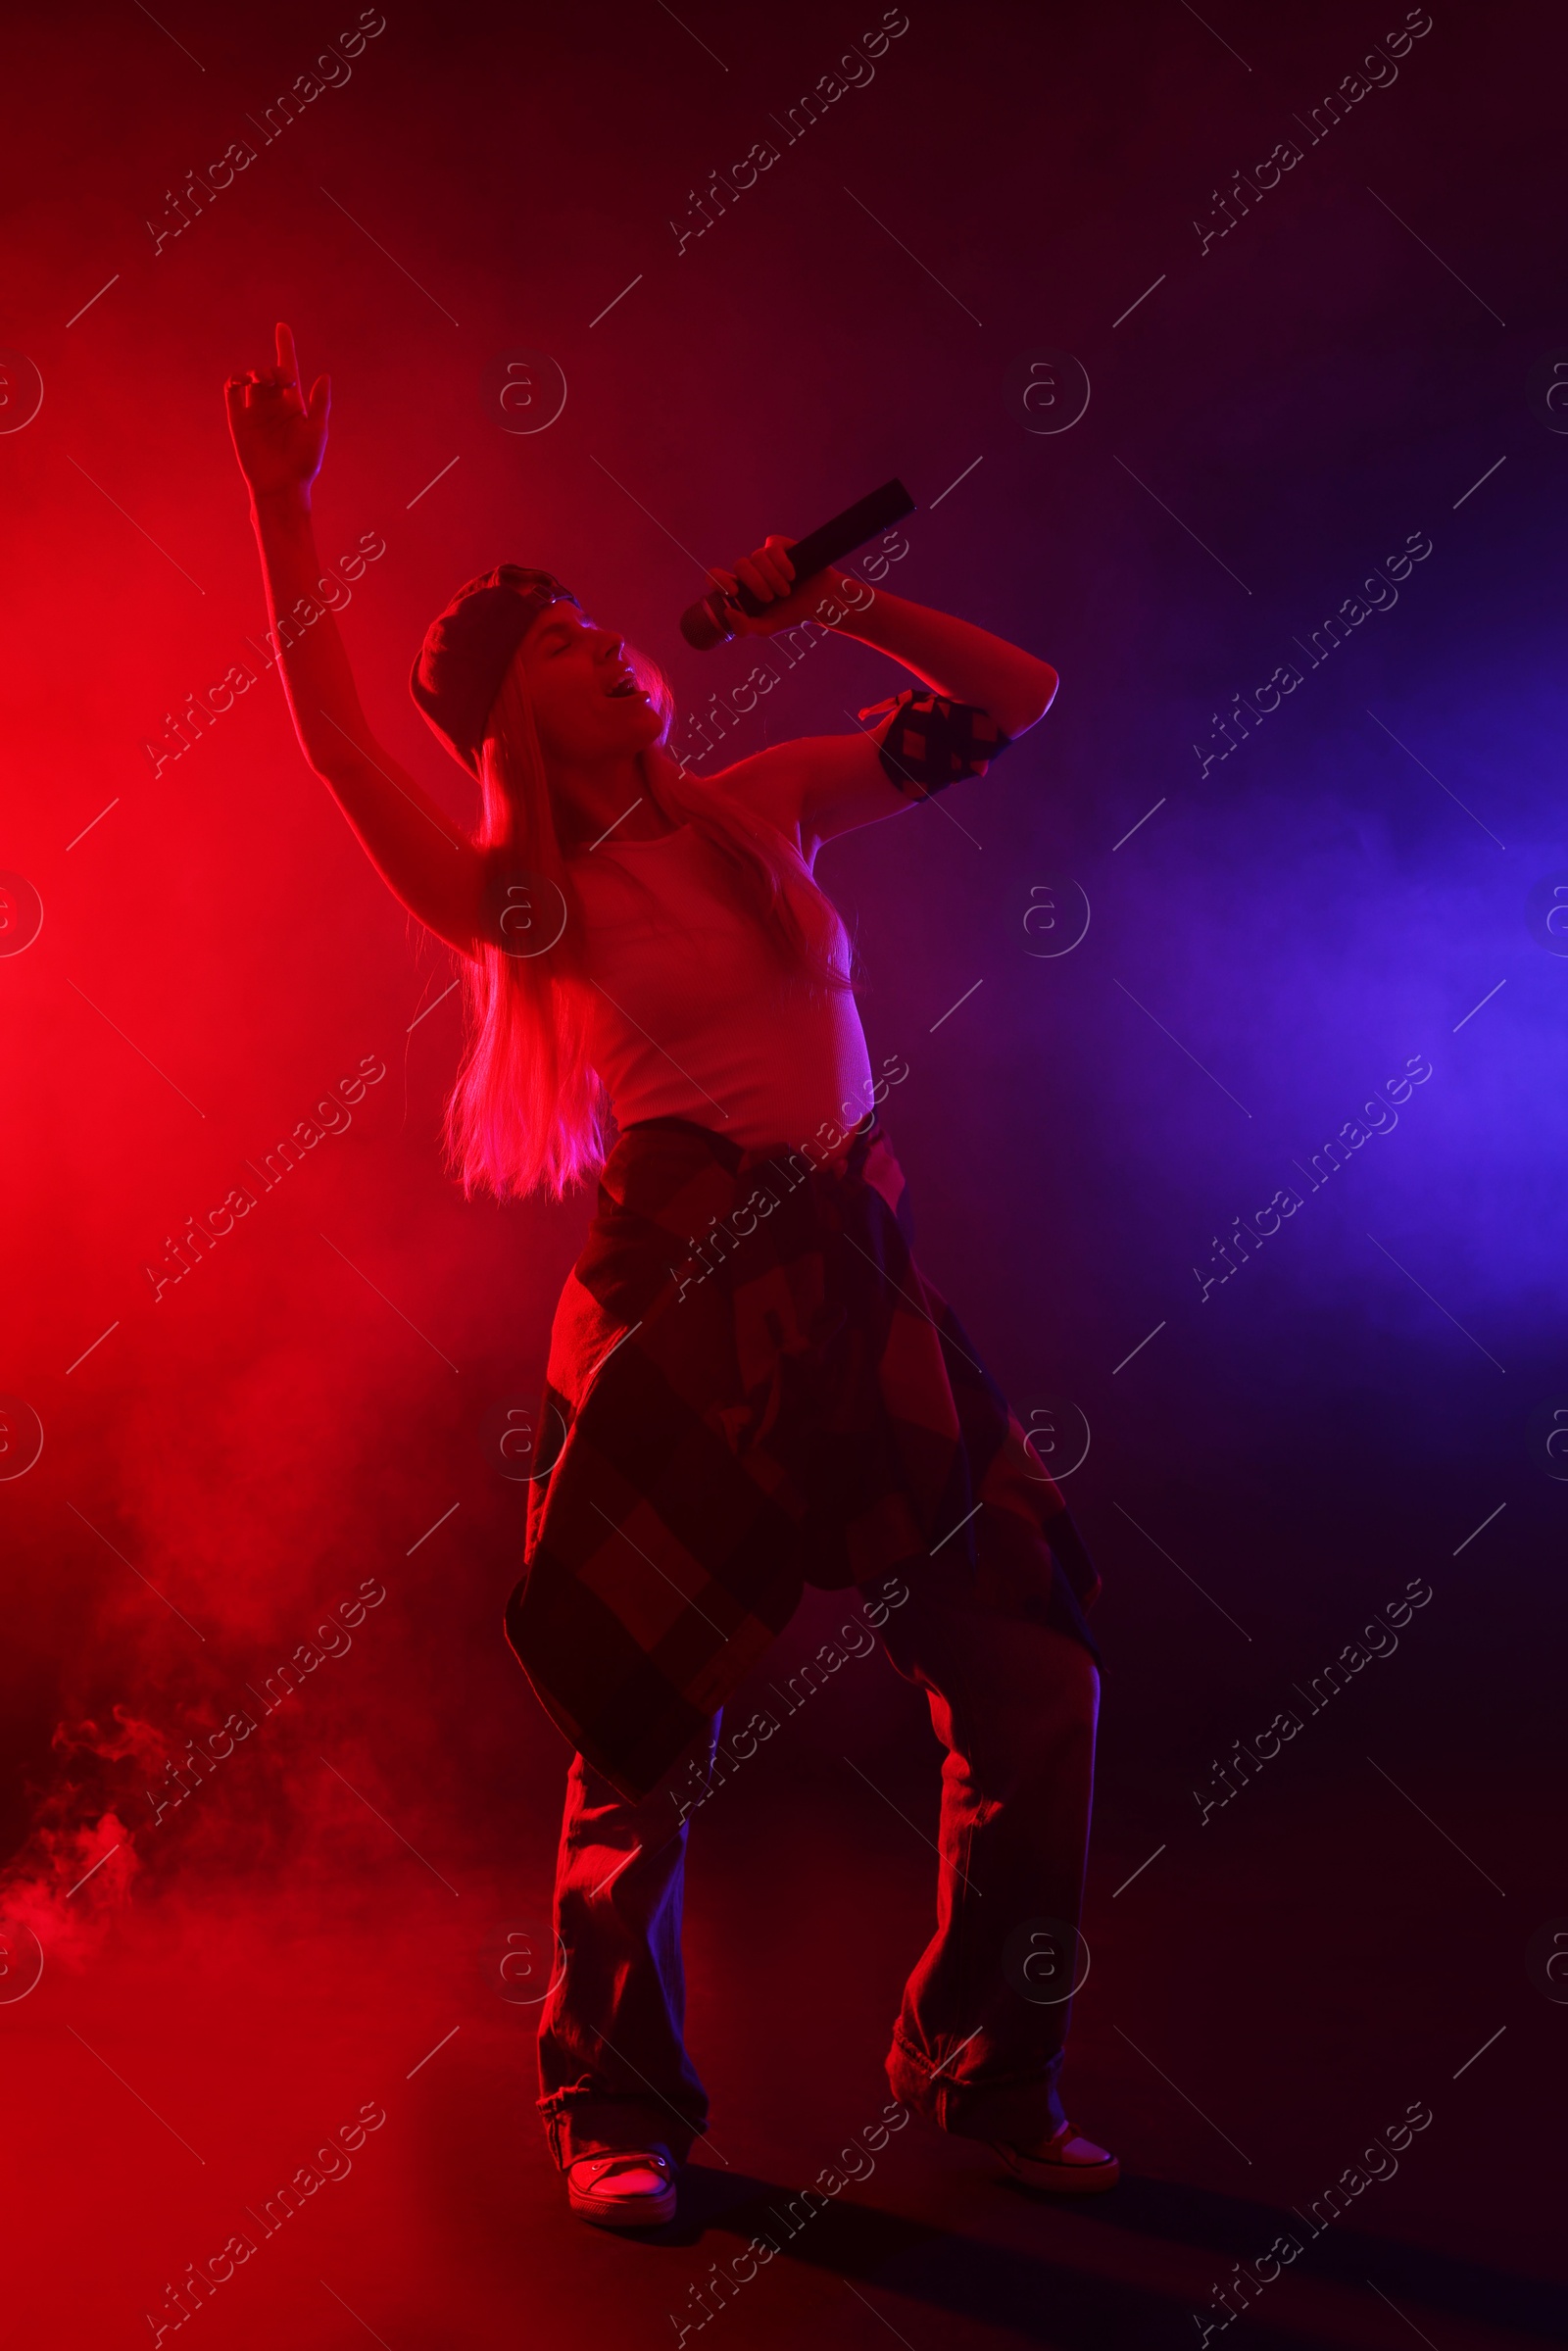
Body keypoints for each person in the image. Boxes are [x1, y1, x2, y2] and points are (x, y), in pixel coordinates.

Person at [225, 322, 1116, 2233]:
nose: (604, 643)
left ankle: (975, 2058)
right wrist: (280, 506)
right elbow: (323, 737)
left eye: (591, 620)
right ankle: (612, 2111)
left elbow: (1020, 697)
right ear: (505, 722)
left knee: (1033, 1681)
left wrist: (845, 594)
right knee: (640, 1741)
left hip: (856, 1284)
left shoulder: (761, 806)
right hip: (682, 1308)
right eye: (552, 642)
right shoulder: (521, 905)